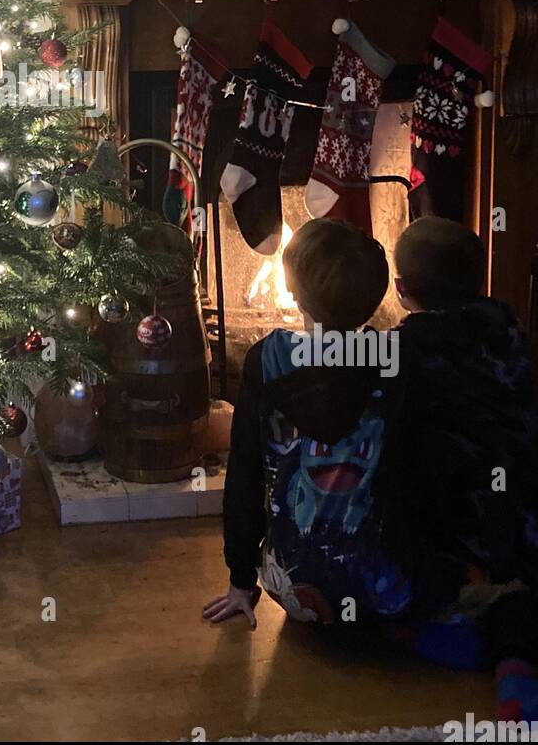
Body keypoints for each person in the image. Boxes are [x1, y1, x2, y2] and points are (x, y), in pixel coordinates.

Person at [203, 218, 409, 631]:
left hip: (292, 589)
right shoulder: (397, 358)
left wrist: (241, 581)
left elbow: (244, 473)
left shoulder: (267, 359)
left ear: (294, 293)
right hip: (384, 593)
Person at [386, 215, 538, 717]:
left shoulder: (404, 349)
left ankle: (480, 645)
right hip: (522, 515)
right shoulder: (510, 329)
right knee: (515, 589)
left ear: (401, 287)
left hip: (457, 527)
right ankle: (510, 657)